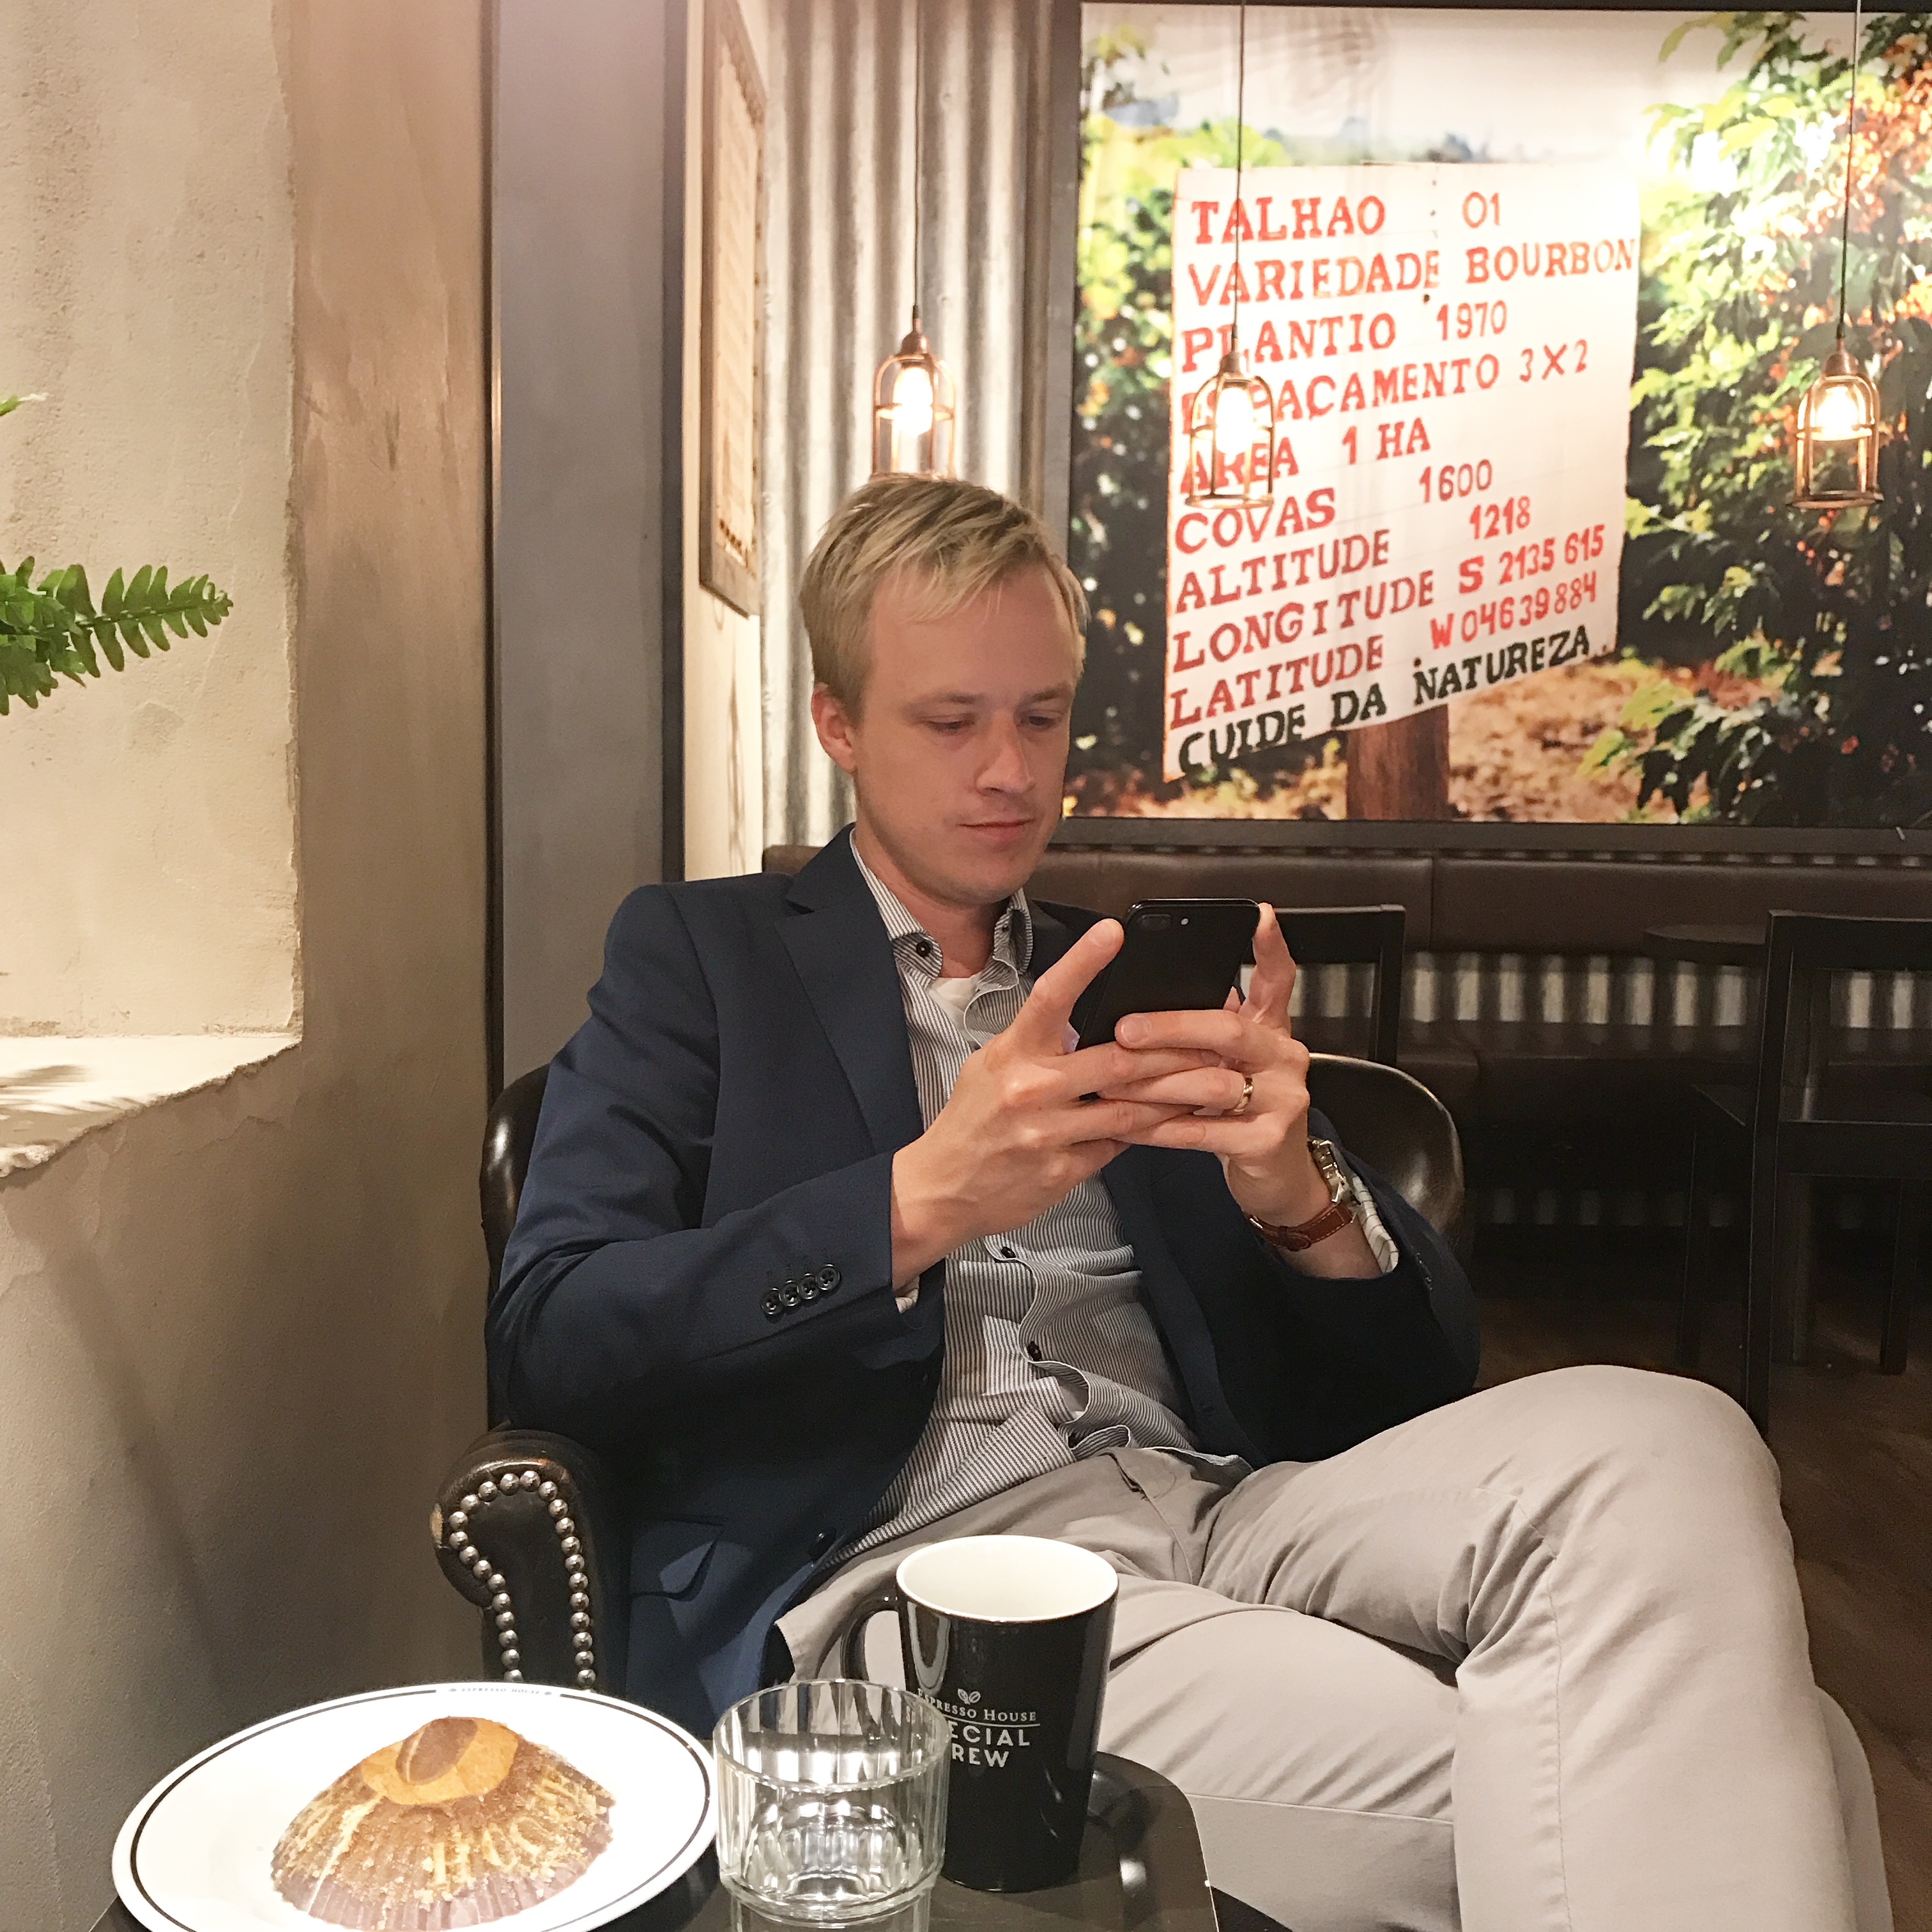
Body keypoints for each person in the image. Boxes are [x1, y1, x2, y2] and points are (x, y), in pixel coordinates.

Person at [491, 475, 1889, 1932]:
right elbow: (552, 1334)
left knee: (1673, 1439)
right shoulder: (703, 959)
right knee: (1783, 1764)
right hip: (940, 1584)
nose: (1010, 772)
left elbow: (1414, 1392)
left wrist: (1297, 1195)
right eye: (951, 721)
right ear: (839, 724)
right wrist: (911, 1205)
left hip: (1227, 1506)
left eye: (1042, 718)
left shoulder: (1122, 971)